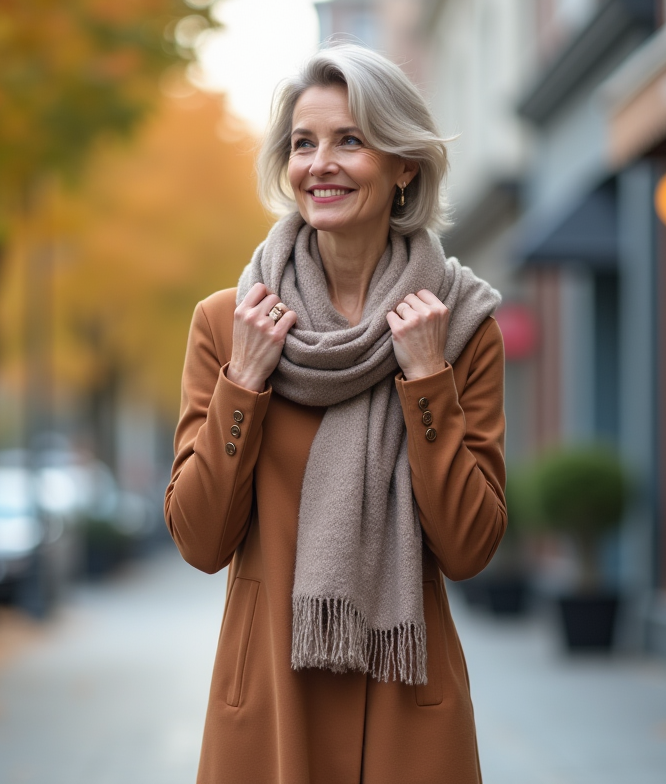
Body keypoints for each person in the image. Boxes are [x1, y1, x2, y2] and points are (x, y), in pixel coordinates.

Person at [164, 44, 507, 784]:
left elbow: (471, 546)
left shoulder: (458, 326)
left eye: (350, 139)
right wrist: (244, 385)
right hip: (270, 703)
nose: (320, 163)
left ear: (403, 165)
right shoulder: (231, 324)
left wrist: (426, 382)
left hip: (405, 705)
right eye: (302, 143)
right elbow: (198, 537)